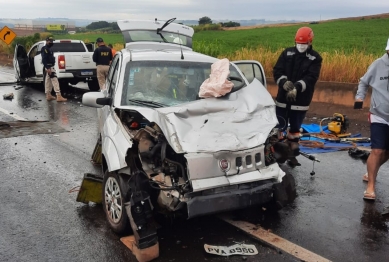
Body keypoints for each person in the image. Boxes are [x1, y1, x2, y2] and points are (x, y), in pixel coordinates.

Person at [273, 27, 322, 167]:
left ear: (310, 42)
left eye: (304, 44)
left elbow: (311, 77)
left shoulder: (315, 58)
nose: (300, 46)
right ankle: (276, 154)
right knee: (279, 128)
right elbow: (277, 70)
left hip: (300, 101)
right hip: (282, 100)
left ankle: (292, 155)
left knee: (294, 130)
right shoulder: (286, 53)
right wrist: (284, 83)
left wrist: (296, 88)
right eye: (298, 43)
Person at [355, 38, 389, 201]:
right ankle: (371, 187)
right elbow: (363, 82)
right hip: (379, 114)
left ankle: (371, 172)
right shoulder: (378, 65)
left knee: (387, 152)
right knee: (377, 150)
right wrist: (359, 98)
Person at [41, 36, 67, 102]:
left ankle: (48, 95)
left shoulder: (49, 49)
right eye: (50, 41)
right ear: (46, 41)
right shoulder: (45, 49)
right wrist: (47, 67)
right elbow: (44, 59)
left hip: (49, 67)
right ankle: (58, 95)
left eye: (52, 41)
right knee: (55, 80)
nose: (51, 42)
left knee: (48, 81)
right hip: (49, 67)